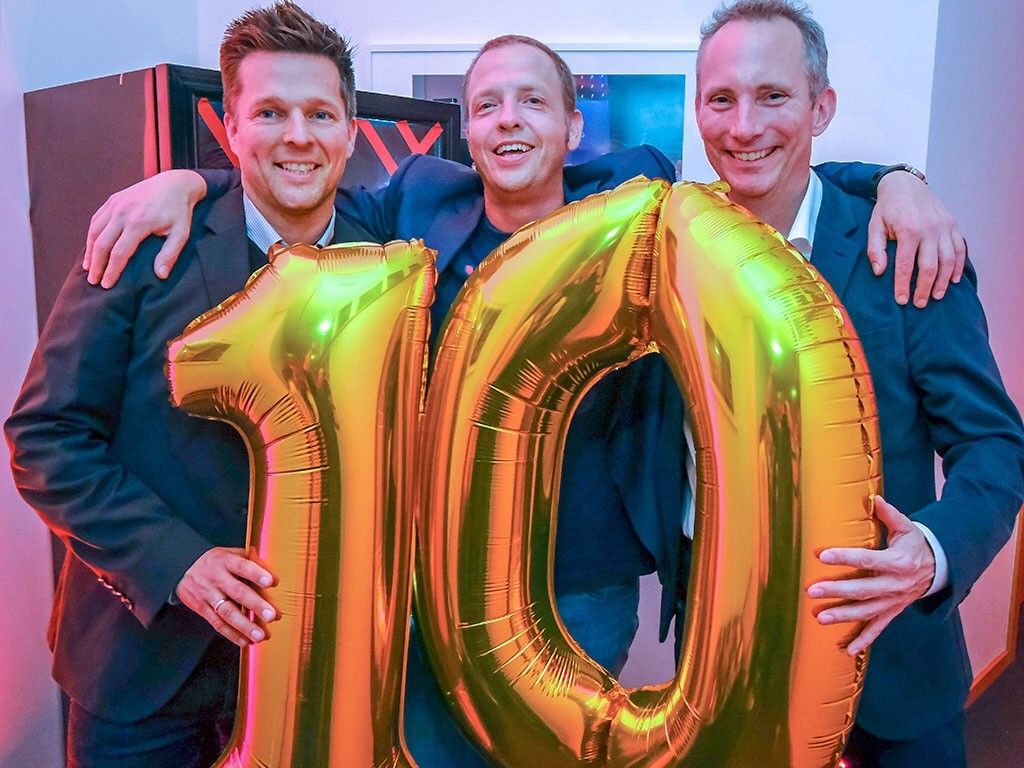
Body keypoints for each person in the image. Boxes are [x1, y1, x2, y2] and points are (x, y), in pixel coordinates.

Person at [78, 27, 970, 768]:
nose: (508, 119)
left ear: (575, 126)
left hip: (586, 586)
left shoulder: (640, 200)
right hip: (436, 593)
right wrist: (188, 180)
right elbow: (290, 185)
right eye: (486, 105)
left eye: (533, 101)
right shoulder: (414, 211)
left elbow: (774, 169)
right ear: (464, 133)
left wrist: (900, 179)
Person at [3, 4, 378, 766]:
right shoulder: (142, 243)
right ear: (230, 127)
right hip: (141, 673)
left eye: (319, 113)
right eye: (269, 112)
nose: (297, 135)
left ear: (349, 131)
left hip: (312, 676)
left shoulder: (384, 263)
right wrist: (178, 563)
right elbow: (44, 437)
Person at [692, 2, 1024, 766]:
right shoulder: (678, 245)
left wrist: (934, 551)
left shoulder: (909, 249)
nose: (744, 125)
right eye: (721, 99)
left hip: (893, 679)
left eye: (773, 95)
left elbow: (994, 447)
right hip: (724, 667)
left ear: (821, 107)